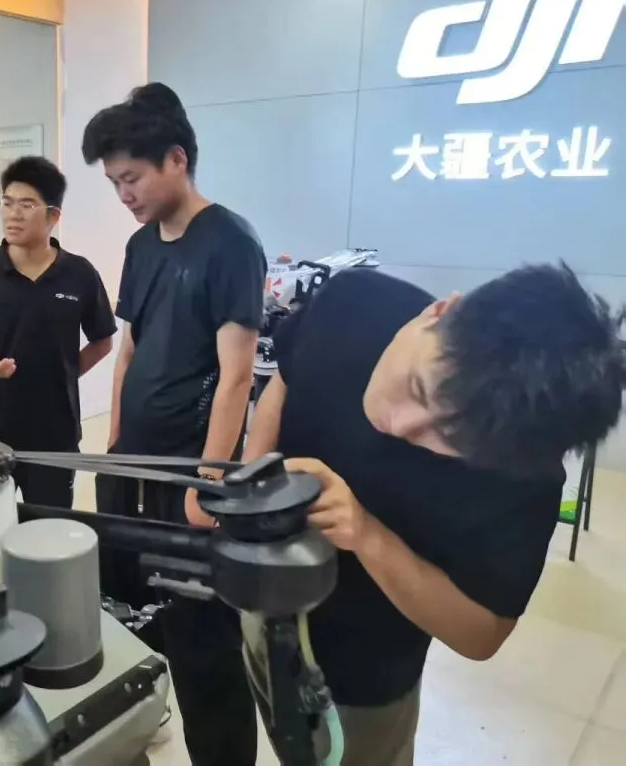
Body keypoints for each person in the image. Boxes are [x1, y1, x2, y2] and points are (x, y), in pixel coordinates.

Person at [237, 264, 625, 766]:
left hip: (364, 673)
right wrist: (252, 482)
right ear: (441, 313)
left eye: (448, 438)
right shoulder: (352, 301)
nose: (397, 424)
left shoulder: (522, 478)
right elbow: (286, 377)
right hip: (263, 608)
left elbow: (481, 634)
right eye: (419, 388)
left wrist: (367, 535)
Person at [81, 83, 266, 766]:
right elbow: (128, 351)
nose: (123, 193)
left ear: (177, 160)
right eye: (113, 182)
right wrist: (114, 444)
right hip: (133, 461)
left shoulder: (231, 243)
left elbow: (237, 374)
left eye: (131, 177)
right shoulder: (141, 246)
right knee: (131, 607)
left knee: (203, 638)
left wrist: (208, 482)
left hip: (189, 473)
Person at [0, 156, 116, 508]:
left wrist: (65, 372)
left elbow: (103, 340)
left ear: (53, 216)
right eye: (7, 203)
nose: (13, 214)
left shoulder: (80, 274)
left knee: (49, 526)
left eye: (26, 205)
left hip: (55, 433)